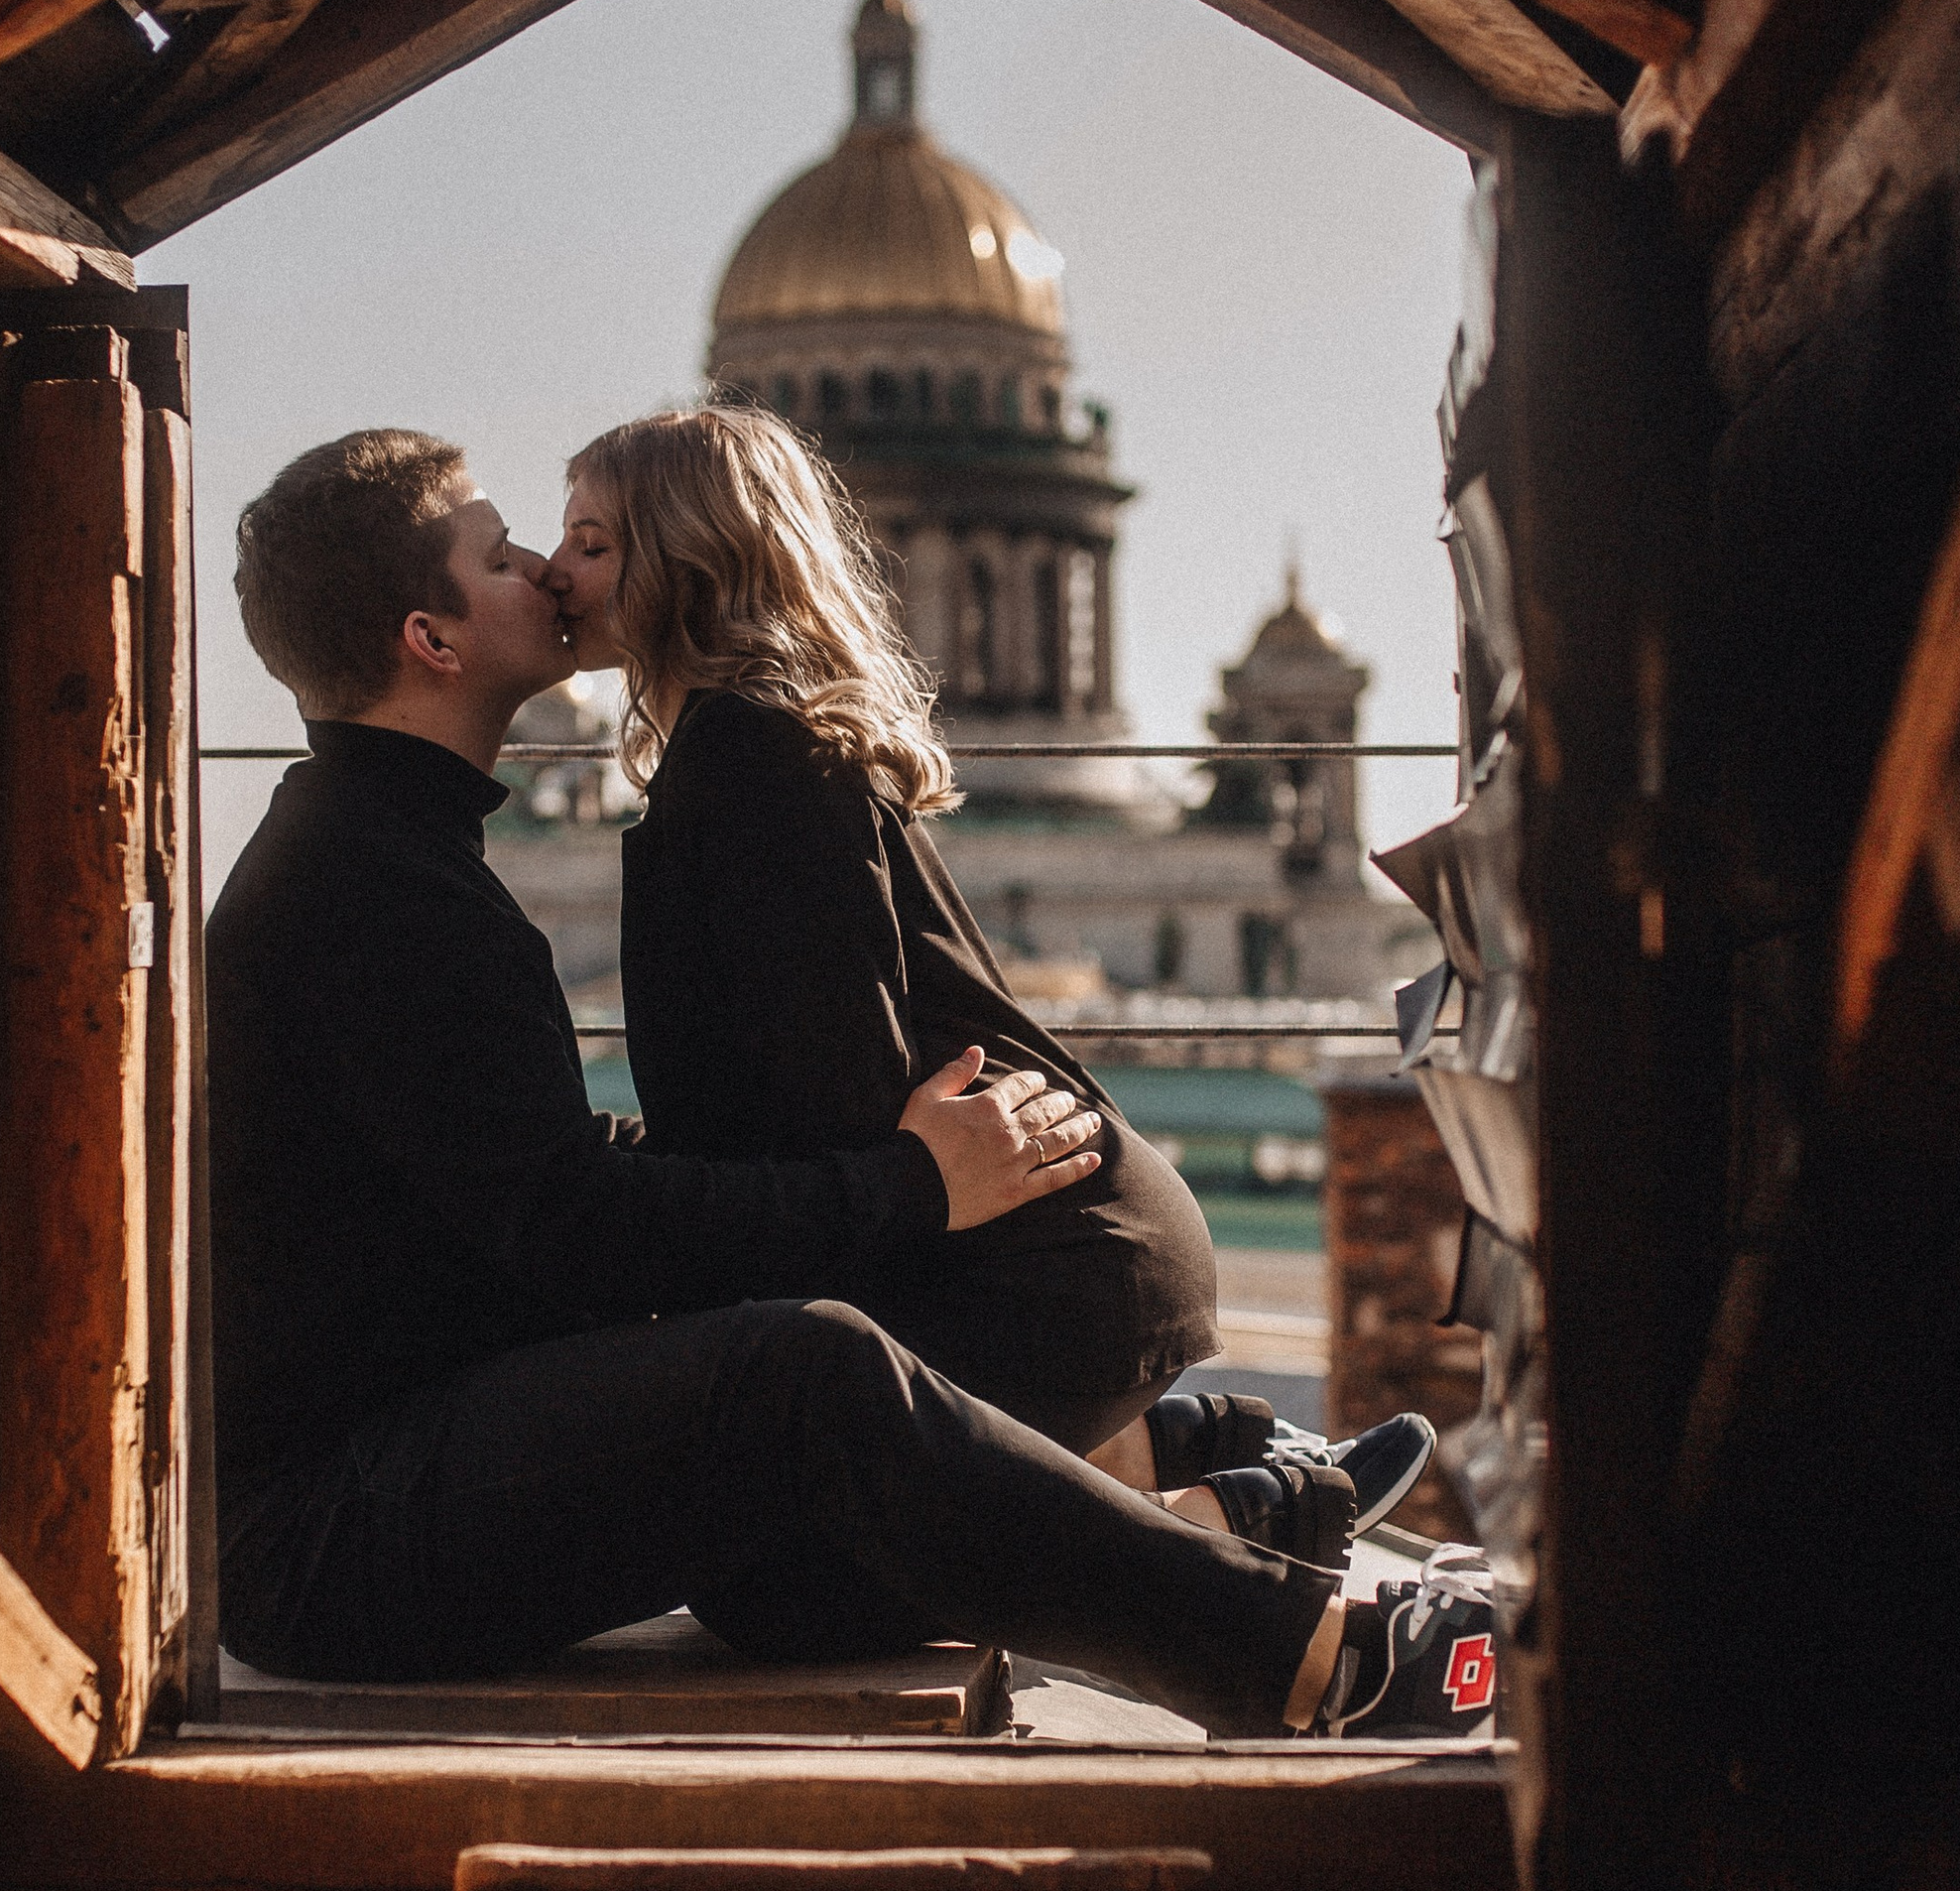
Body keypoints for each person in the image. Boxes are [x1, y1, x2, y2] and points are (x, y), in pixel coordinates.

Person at [206, 429, 1494, 1736]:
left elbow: (527, 1171)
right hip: (340, 1529)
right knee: (802, 1385)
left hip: (388, 1469)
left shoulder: (379, 852)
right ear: (431, 637)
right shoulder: (378, 886)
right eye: (502, 553)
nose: (541, 567)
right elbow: (573, 1225)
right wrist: (912, 1186)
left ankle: (1205, 1494)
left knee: (792, 1576)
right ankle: (1315, 1659)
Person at [541, 402, 1433, 1522]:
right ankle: (1175, 1467)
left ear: (689, 557)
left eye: (589, 541)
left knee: (775, 1568)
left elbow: (830, 1102)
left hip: (1049, 1268)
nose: (547, 571)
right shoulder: (760, 744)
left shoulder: (745, 755)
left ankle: (1221, 1525)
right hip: (1083, 1249)